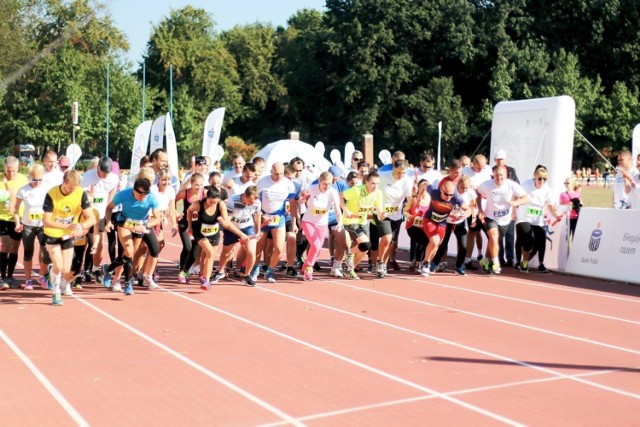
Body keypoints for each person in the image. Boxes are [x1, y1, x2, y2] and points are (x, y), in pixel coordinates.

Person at [42, 170, 95, 305]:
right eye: (70, 187)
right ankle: (56, 293)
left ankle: (52, 270)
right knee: (58, 266)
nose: (72, 190)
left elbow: (91, 218)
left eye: (75, 187)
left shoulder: (80, 193)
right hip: (52, 234)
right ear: (63, 183)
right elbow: (47, 221)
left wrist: (80, 227)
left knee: (66, 269)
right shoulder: (52, 194)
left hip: (67, 236)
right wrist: (68, 226)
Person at [104, 177, 163, 295]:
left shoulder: (152, 197)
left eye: (145, 195)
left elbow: (157, 218)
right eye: (140, 195)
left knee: (129, 255)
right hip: (125, 223)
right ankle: (127, 284)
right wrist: (108, 222)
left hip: (141, 224)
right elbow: (109, 208)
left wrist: (146, 225)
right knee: (129, 252)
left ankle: (109, 269)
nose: (143, 198)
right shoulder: (123, 195)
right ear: (134, 190)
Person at [187, 187, 246, 289]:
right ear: (206, 197)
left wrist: (224, 221)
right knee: (210, 252)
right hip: (199, 232)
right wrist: (190, 225)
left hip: (214, 233)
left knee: (208, 257)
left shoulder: (221, 204)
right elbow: (189, 210)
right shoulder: (198, 204)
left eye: (215, 202)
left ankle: (202, 274)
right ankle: (206, 280)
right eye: (210, 202)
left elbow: (227, 223)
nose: (212, 204)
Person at [250, 162, 297, 284]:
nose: (279, 176)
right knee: (259, 247)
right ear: (271, 172)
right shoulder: (263, 182)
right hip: (263, 217)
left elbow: (292, 203)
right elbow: (254, 200)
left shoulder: (288, 184)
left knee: (279, 249)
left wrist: (294, 221)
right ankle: (255, 269)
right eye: (276, 174)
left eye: (281, 173)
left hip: (278, 218)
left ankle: (270, 270)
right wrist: (261, 214)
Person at [476, 165, 527, 275]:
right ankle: (496, 263)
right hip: (490, 216)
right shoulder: (487, 185)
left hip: (505, 219)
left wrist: (515, 203)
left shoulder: (511, 185)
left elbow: (526, 198)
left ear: (506, 175)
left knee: (493, 242)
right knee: (493, 238)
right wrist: (480, 209)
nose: (499, 178)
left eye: (501, 175)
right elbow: (477, 192)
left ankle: (485, 260)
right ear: (493, 175)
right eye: (496, 175)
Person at [512, 166, 562, 273]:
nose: (542, 181)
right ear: (534, 177)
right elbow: (515, 197)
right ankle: (521, 263)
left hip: (537, 219)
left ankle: (541, 264)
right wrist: (513, 211)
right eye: (539, 179)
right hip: (523, 217)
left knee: (541, 238)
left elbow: (551, 207)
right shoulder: (526, 185)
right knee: (527, 237)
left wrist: (557, 215)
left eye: (544, 179)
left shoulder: (547, 189)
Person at [80, 157, 119, 284]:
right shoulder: (87, 177)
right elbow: (80, 196)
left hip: (101, 214)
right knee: (84, 243)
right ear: (98, 168)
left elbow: (110, 199)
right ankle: (80, 270)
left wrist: (108, 220)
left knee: (99, 244)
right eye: (102, 171)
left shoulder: (113, 179)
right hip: (86, 213)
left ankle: (96, 269)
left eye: (107, 172)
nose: (104, 175)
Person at [418, 180, 468, 276]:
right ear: (441, 190)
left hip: (442, 223)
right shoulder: (433, 192)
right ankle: (426, 263)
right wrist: (419, 196)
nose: (448, 197)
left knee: (436, 246)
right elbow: (424, 184)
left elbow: (468, 208)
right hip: (429, 220)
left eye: (451, 195)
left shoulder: (456, 197)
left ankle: (425, 263)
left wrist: (463, 215)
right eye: (446, 194)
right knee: (434, 241)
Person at [12, 164, 51, 290]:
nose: (37, 182)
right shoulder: (23, 190)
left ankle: (41, 275)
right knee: (28, 253)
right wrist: (18, 223)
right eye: (34, 180)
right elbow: (16, 209)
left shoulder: (47, 188)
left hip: (43, 225)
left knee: (48, 253)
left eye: (40, 179)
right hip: (28, 225)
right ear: (30, 177)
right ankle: (28, 280)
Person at [298, 171, 343, 281]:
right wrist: (302, 199)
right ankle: (309, 267)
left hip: (322, 223)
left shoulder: (332, 192)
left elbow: (338, 210)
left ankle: (305, 268)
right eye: (324, 184)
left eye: (329, 184)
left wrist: (340, 222)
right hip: (308, 221)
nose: (326, 186)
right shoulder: (312, 188)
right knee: (316, 245)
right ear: (319, 181)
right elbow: (301, 198)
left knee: (317, 249)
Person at [341, 172, 385, 279]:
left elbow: (379, 212)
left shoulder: (378, 193)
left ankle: (350, 269)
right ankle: (350, 253)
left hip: (363, 221)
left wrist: (382, 215)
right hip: (350, 220)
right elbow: (340, 196)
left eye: (378, 184)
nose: (375, 186)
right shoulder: (356, 190)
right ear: (366, 182)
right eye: (373, 183)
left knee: (364, 249)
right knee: (366, 243)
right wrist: (345, 209)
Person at [373, 159, 413, 277]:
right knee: (387, 238)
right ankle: (379, 263)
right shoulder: (382, 176)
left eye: (403, 173)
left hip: (396, 215)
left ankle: (383, 265)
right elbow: (369, 181)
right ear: (393, 169)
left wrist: (406, 211)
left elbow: (409, 199)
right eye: (398, 172)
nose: (401, 175)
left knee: (391, 243)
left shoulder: (407, 181)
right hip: (381, 213)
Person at [217, 186, 261, 286]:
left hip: (247, 227)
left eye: (253, 202)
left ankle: (247, 275)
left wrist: (258, 231)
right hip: (232, 227)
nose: (252, 204)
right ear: (245, 196)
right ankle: (220, 272)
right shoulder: (232, 201)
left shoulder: (256, 202)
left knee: (251, 252)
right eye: (250, 201)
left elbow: (257, 215)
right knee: (226, 253)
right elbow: (227, 222)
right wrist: (240, 234)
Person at [432, 175, 476, 275]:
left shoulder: (470, 193)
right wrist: (448, 213)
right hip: (447, 221)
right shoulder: (452, 192)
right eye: (462, 187)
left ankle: (459, 265)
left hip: (460, 222)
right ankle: (434, 263)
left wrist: (467, 216)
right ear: (457, 185)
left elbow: (472, 207)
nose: (464, 190)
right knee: (443, 244)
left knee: (463, 246)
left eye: (466, 188)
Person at [0, 156, 28, 289]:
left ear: (18, 169)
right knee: (5, 246)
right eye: (8, 171)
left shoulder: (23, 179)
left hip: (18, 218)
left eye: (14, 171)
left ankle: (10, 276)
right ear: (4, 168)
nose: (11, 174)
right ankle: (3, 277)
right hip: (3, 218)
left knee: (15, 248)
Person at [461, 154, 492, 269]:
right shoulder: (464, 171)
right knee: (472, 233)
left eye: (483, 167)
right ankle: (467, 260)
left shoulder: (487, 170)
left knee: (491, 235)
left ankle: (487, 260)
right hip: (472, 207)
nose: (481, 169)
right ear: (473, 164)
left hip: (487, 207)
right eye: (479, 167)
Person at [175, 173, 205, 283]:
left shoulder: (204, 193)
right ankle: (181, 271)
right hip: (185, 224)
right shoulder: (184, 193)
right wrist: (176, 213)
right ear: (191, 184)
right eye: (196, 185)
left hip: (198, 225)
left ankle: (186, 270)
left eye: (201, 185)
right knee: (187, 247)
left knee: (194, 252)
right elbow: (172, 202)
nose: (199, 187)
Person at [493, 149, 519, 268]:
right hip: (497, 209)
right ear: (495, 160)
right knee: (497, 235)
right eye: (498, 159)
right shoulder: (492, 171)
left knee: (510, 234)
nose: (500, 161)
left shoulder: (512, 171)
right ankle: (499, 258)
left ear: (505, 159)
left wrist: (514, 206)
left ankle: (510, 258)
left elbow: (517, 188)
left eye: (502, 159)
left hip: (510, 207)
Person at [404, 180, 430, 272]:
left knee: (426, 240)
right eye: (422, 188)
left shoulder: (431, 199)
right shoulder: (413, 198)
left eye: (426, 188)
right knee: (422, 240)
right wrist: (410, 217)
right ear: (418, 188)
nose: (424, 190)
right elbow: (405, 211)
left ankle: (417, 261)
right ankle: (418, 263)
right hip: (412, 226)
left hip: (424, 227)